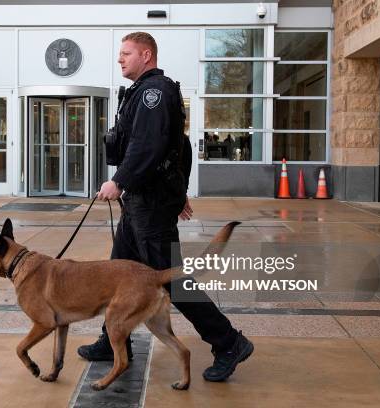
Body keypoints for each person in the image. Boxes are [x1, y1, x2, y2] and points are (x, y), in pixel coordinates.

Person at [77, 32, 253, 382]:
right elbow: (180, 145)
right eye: (120, 54)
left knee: (172, 280)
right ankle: (114, 342)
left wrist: (120, 180)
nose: (120, 59)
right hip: (140, 204)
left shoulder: (154, 93)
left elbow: (148, 145)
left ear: (146, 54)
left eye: (126, 53)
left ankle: (228, 341)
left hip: (150, 206)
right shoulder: (143, 94)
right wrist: (180, 189)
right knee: (116, 273)